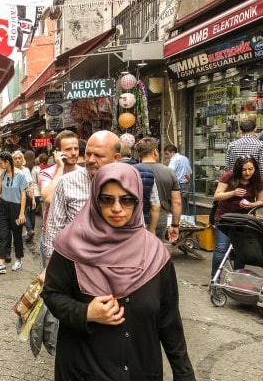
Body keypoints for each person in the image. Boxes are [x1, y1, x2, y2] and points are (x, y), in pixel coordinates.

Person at [42, 163, 195, 381]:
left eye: (126, 199)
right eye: (107, 199)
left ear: (138, 201)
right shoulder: (70, 246)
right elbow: (52, 294)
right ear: (95, 199)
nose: (116, 208)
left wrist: (184, 373)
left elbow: (169, 320)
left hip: (140, 370)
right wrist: (86, 312)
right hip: (84, 369)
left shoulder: (155, 253)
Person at [42, 130, 121, 277]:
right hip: (76, 265)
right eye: (88, 153)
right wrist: (50, 266)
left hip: (114, 266)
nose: (90, 160)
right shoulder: (67, 182)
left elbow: (136, 226)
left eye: (98, 156)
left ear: (116, 158)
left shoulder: (127, 182)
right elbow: (55, 226)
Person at [210, 155, 263, 280]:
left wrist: (251, 204)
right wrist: (233, 193)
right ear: (238, 169)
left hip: (244, 220)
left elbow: (261, 201)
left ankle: (237, 278)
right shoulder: (229, 176)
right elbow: (217, 196)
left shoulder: (258, 181)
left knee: (241, 249)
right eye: (244, 169)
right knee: (221, 248)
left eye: (251, 169)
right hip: (225, 218)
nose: (247, 172)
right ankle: (215, 277)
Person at [39, 130, 80, 266]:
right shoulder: (47, 173)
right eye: (68, 149)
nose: (74, 153)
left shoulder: (84, 173)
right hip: (53, 236)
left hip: (78, 237)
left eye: (76, 148)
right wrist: (60, 168)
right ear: (57, 153)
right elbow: (49, 198)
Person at [135, 137, 182, 243]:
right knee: (157, 251)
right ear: (155, 151)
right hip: (160, 218)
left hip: (137, 218)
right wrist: (175, 224)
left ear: (138, 154)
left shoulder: (133, 170)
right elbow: (177, 202)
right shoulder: (169, 172)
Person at [0, 152, 27, 274]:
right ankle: (1, 263)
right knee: (3, 234)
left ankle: (18, 260)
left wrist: (22, 213)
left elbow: (23, 195)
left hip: (16, 207)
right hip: (3, 206)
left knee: (17, 235)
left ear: (7, 162)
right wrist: (0, 175)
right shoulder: (3, 173)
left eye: (1, 163)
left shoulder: (21, 175)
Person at [120, 142, 160, 234]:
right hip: (141, 224)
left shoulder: (107, 171)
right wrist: (152, 229)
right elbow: (156, 205)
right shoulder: (147, 172)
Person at [12, 150, 36, 243]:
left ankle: (28, 231)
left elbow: (30, 185)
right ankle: (27, 232)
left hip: (26, 196)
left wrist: (33, 198)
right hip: (14, 197)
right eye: (15, 158)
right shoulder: (11, 170)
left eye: (19, 158)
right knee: (18, 217)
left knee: (24, 213)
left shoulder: (26, 170)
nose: (17, 160)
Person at [164, 144, 193, 215]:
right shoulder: (185, 158)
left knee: (177, 204)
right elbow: (190, 172)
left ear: (173, 153)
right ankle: (184, 219)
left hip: (177, 185)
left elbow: (169, 172)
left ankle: (178, 221)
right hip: (186, 184)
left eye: (167, 154)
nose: (166, 156)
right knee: (184, 203)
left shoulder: (174, 160)